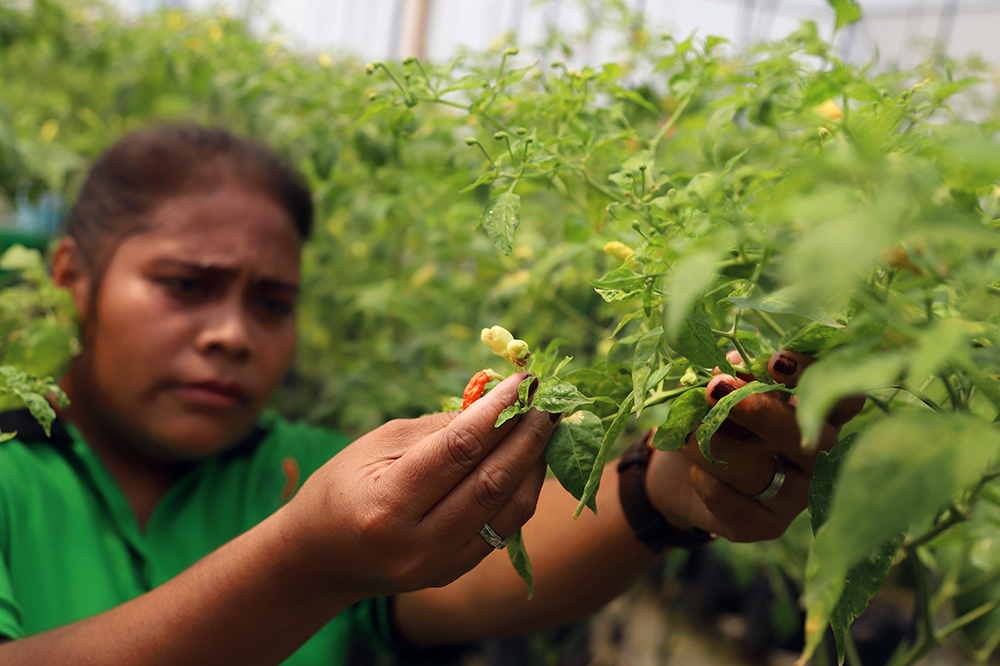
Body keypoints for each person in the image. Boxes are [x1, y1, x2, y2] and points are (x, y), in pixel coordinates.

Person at [0, 124, 862, 665]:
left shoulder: (293, 465)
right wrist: (305, 561)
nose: (231, 332)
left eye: (272, 303)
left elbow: (465, 579)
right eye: (187, 284)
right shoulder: (11, 469)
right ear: (73, 276)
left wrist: (666, 488)